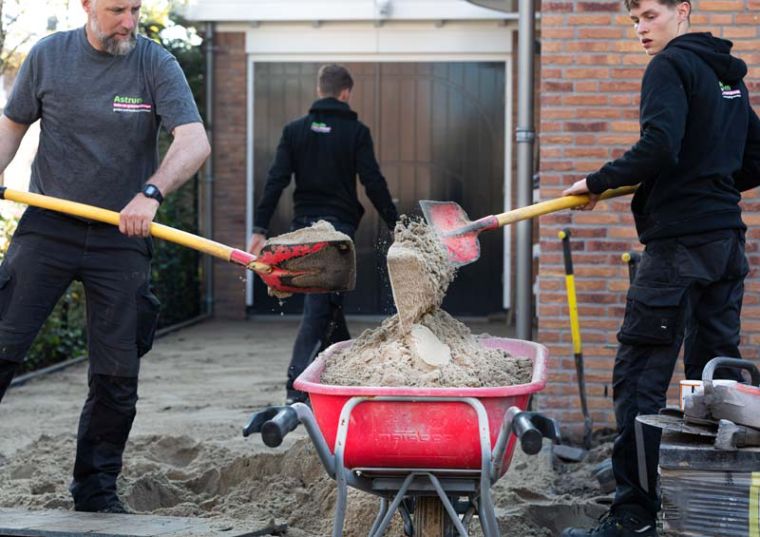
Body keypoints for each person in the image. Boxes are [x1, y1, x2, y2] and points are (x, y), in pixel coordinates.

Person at [0, 0, 210, 514]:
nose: (129, 21)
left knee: (117, 376)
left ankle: (94, 491)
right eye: (118, 9)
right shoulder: (48, 56)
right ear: (86, 5)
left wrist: (151, 193)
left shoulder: (154, 62)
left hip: (122, 234)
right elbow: (12, 126)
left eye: (136, 9)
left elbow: (194, 140)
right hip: (48, 227)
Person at [560, 1, 760, 536]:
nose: (642, 29)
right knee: (711, 382)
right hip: (725, 244)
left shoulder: (670, 66)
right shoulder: (728, 76)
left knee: (640, 381)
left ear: (682, 11)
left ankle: (633, 514)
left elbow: (659, 146)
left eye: (650, 15)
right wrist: (705, 185)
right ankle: (711, 507)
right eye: (634, 21)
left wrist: (597, 182)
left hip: (676, 250)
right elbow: (755, 160)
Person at [248, 64, 398, 404]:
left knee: (330, 306)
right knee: (319, 308)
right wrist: (395, 223)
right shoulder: (356, 132)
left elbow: (276, 181)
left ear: (319, 90)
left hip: (303, 230)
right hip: (337, 235)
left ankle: (341, 375)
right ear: (346, 93)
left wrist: (259, 228)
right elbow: (373, 182)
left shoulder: (294, 131)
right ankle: (294, 387)